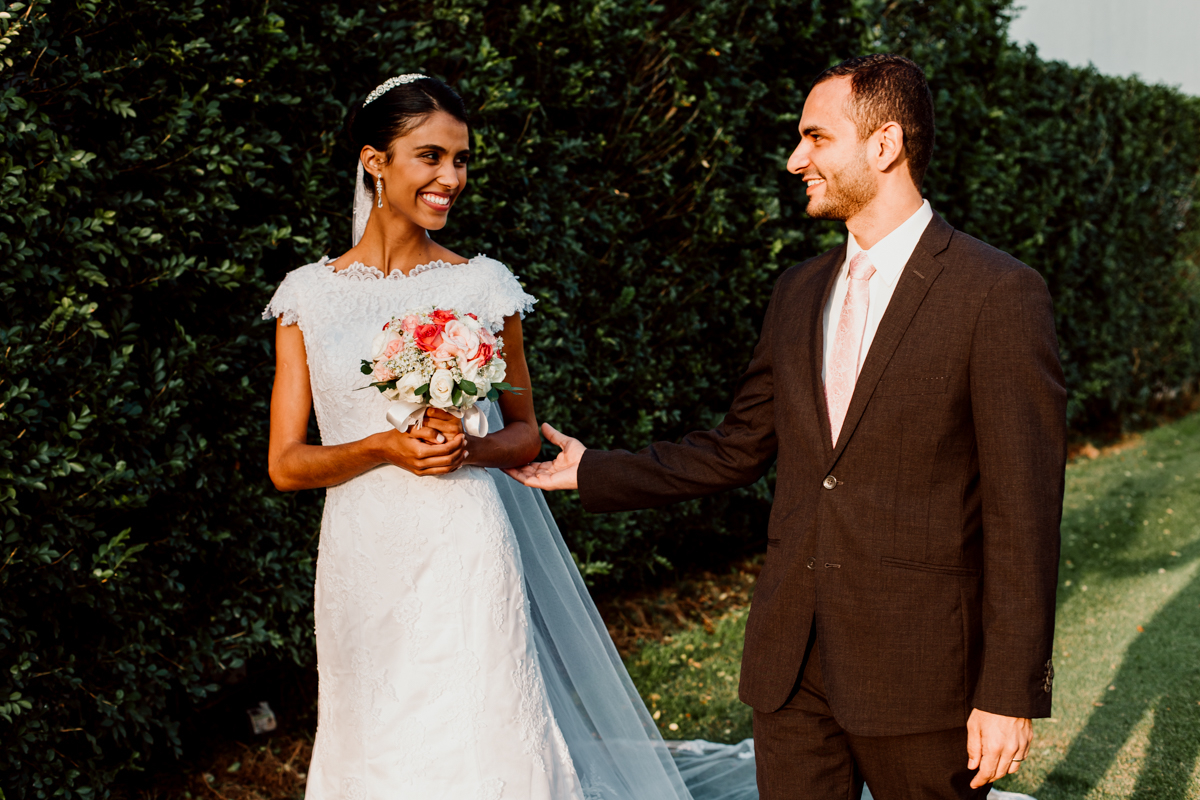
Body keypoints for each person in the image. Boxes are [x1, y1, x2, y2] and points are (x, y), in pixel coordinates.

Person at [508, 54, 1066, 800]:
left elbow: (1023, 513)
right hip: (790, 669)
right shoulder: (798, 291)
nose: (795, 158)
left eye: (816, 138)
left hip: (921, 672)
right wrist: (596, 469)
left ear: (884, 144)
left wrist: (1007, 692)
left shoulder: (997, 293)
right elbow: (740, 445)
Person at [262, 73, 756, 800]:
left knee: (483, 728)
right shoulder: (307, 297)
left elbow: (523, 434)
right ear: (375, 160)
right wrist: (383, 448)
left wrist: (469, 448)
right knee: (376, 733)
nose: (450, 178)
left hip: (466, 543)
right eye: (430, 156)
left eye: (460, 160)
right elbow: (286, 463)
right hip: (363, 555)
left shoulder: (484, 287)